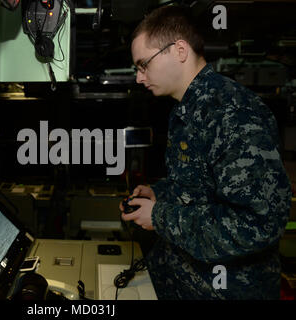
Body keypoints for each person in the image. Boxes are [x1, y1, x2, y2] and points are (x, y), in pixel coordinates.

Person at [120, 5, 292, 299]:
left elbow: (258, 223)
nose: (139, 77)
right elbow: (200, 189)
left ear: (179, 50)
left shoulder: (234, 114)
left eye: (143, 64)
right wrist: (160, 193)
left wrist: (160, 217)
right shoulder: (188, 110)